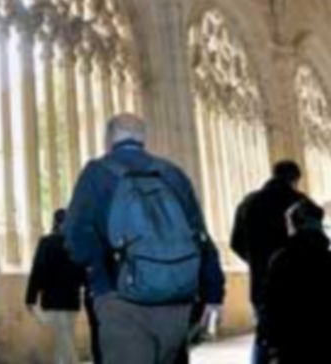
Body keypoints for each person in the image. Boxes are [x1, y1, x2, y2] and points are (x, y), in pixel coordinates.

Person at [63, 114, 225, 364]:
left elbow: (75, 236)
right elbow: (200, 237)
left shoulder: (97, 173)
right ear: (144, 138)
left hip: (122, 300)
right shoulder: (173, 173)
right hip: (177, 298)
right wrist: (214, 293)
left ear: (108, 139)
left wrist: (100, 282)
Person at [230, 160, 305, 364]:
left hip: (261, 281)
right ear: (295, 179)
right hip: (296, 283)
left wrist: (257, 261)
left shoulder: (249, 202)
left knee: (264, 335)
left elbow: (235, 242)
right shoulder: (299, 202)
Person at [264, 199, 331, 363]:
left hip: (291, 344)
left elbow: (273, 307)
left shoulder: (281, 260)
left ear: (294, 225)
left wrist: (272, 347)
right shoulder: (327, 258)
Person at [25, 209, 85, 364]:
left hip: (53, 299)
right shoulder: (76, 242)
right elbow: (82, 270)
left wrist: (30, 297)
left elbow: (38, 269)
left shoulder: (46, 242)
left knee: (63, 339)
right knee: (66, 338)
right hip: (71, 298)